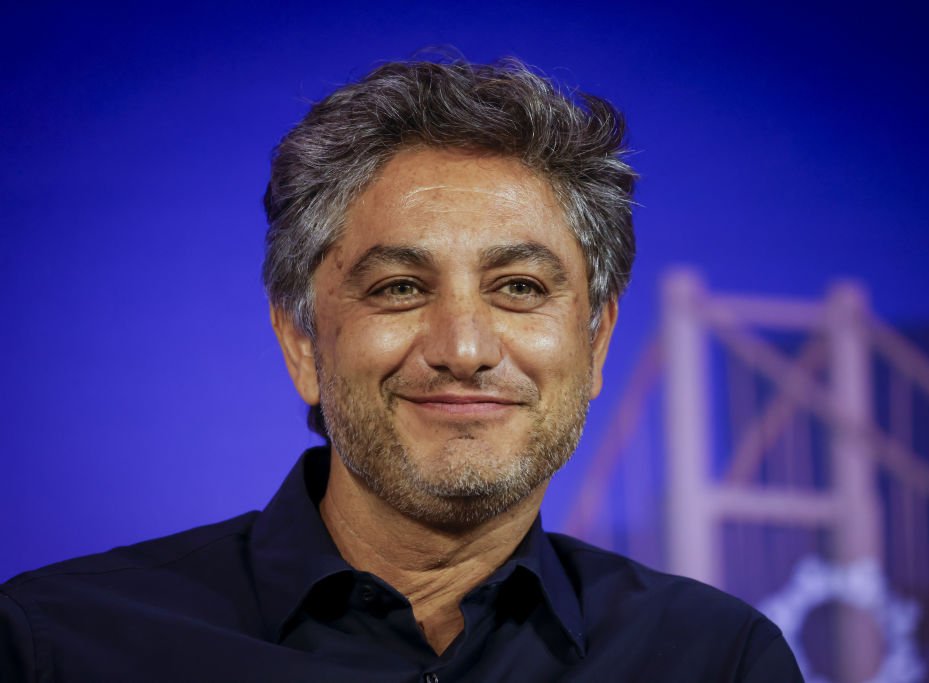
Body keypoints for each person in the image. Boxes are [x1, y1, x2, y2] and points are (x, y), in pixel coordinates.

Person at [0, 58, 803, 682]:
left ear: (595, 344)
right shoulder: (54, 645)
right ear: (302, 342)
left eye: (520, 287)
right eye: (400, 288)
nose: (464, 347)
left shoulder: (719, 659)